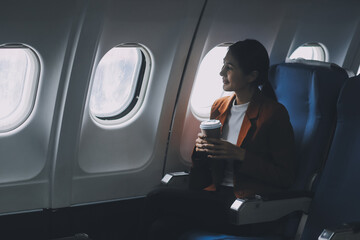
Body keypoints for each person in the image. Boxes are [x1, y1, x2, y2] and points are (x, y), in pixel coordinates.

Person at [138, 39, 296, 240]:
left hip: (246, 207)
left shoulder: (274, 114)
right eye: (223, 65)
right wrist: (201, 149)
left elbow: (285, 176)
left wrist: (242, 156)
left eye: (229, 68)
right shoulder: (219, 106)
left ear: (252, 76)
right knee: (161, 228)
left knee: (156, 197)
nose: (221, 72)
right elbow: (204, 170)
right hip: (216, 195)